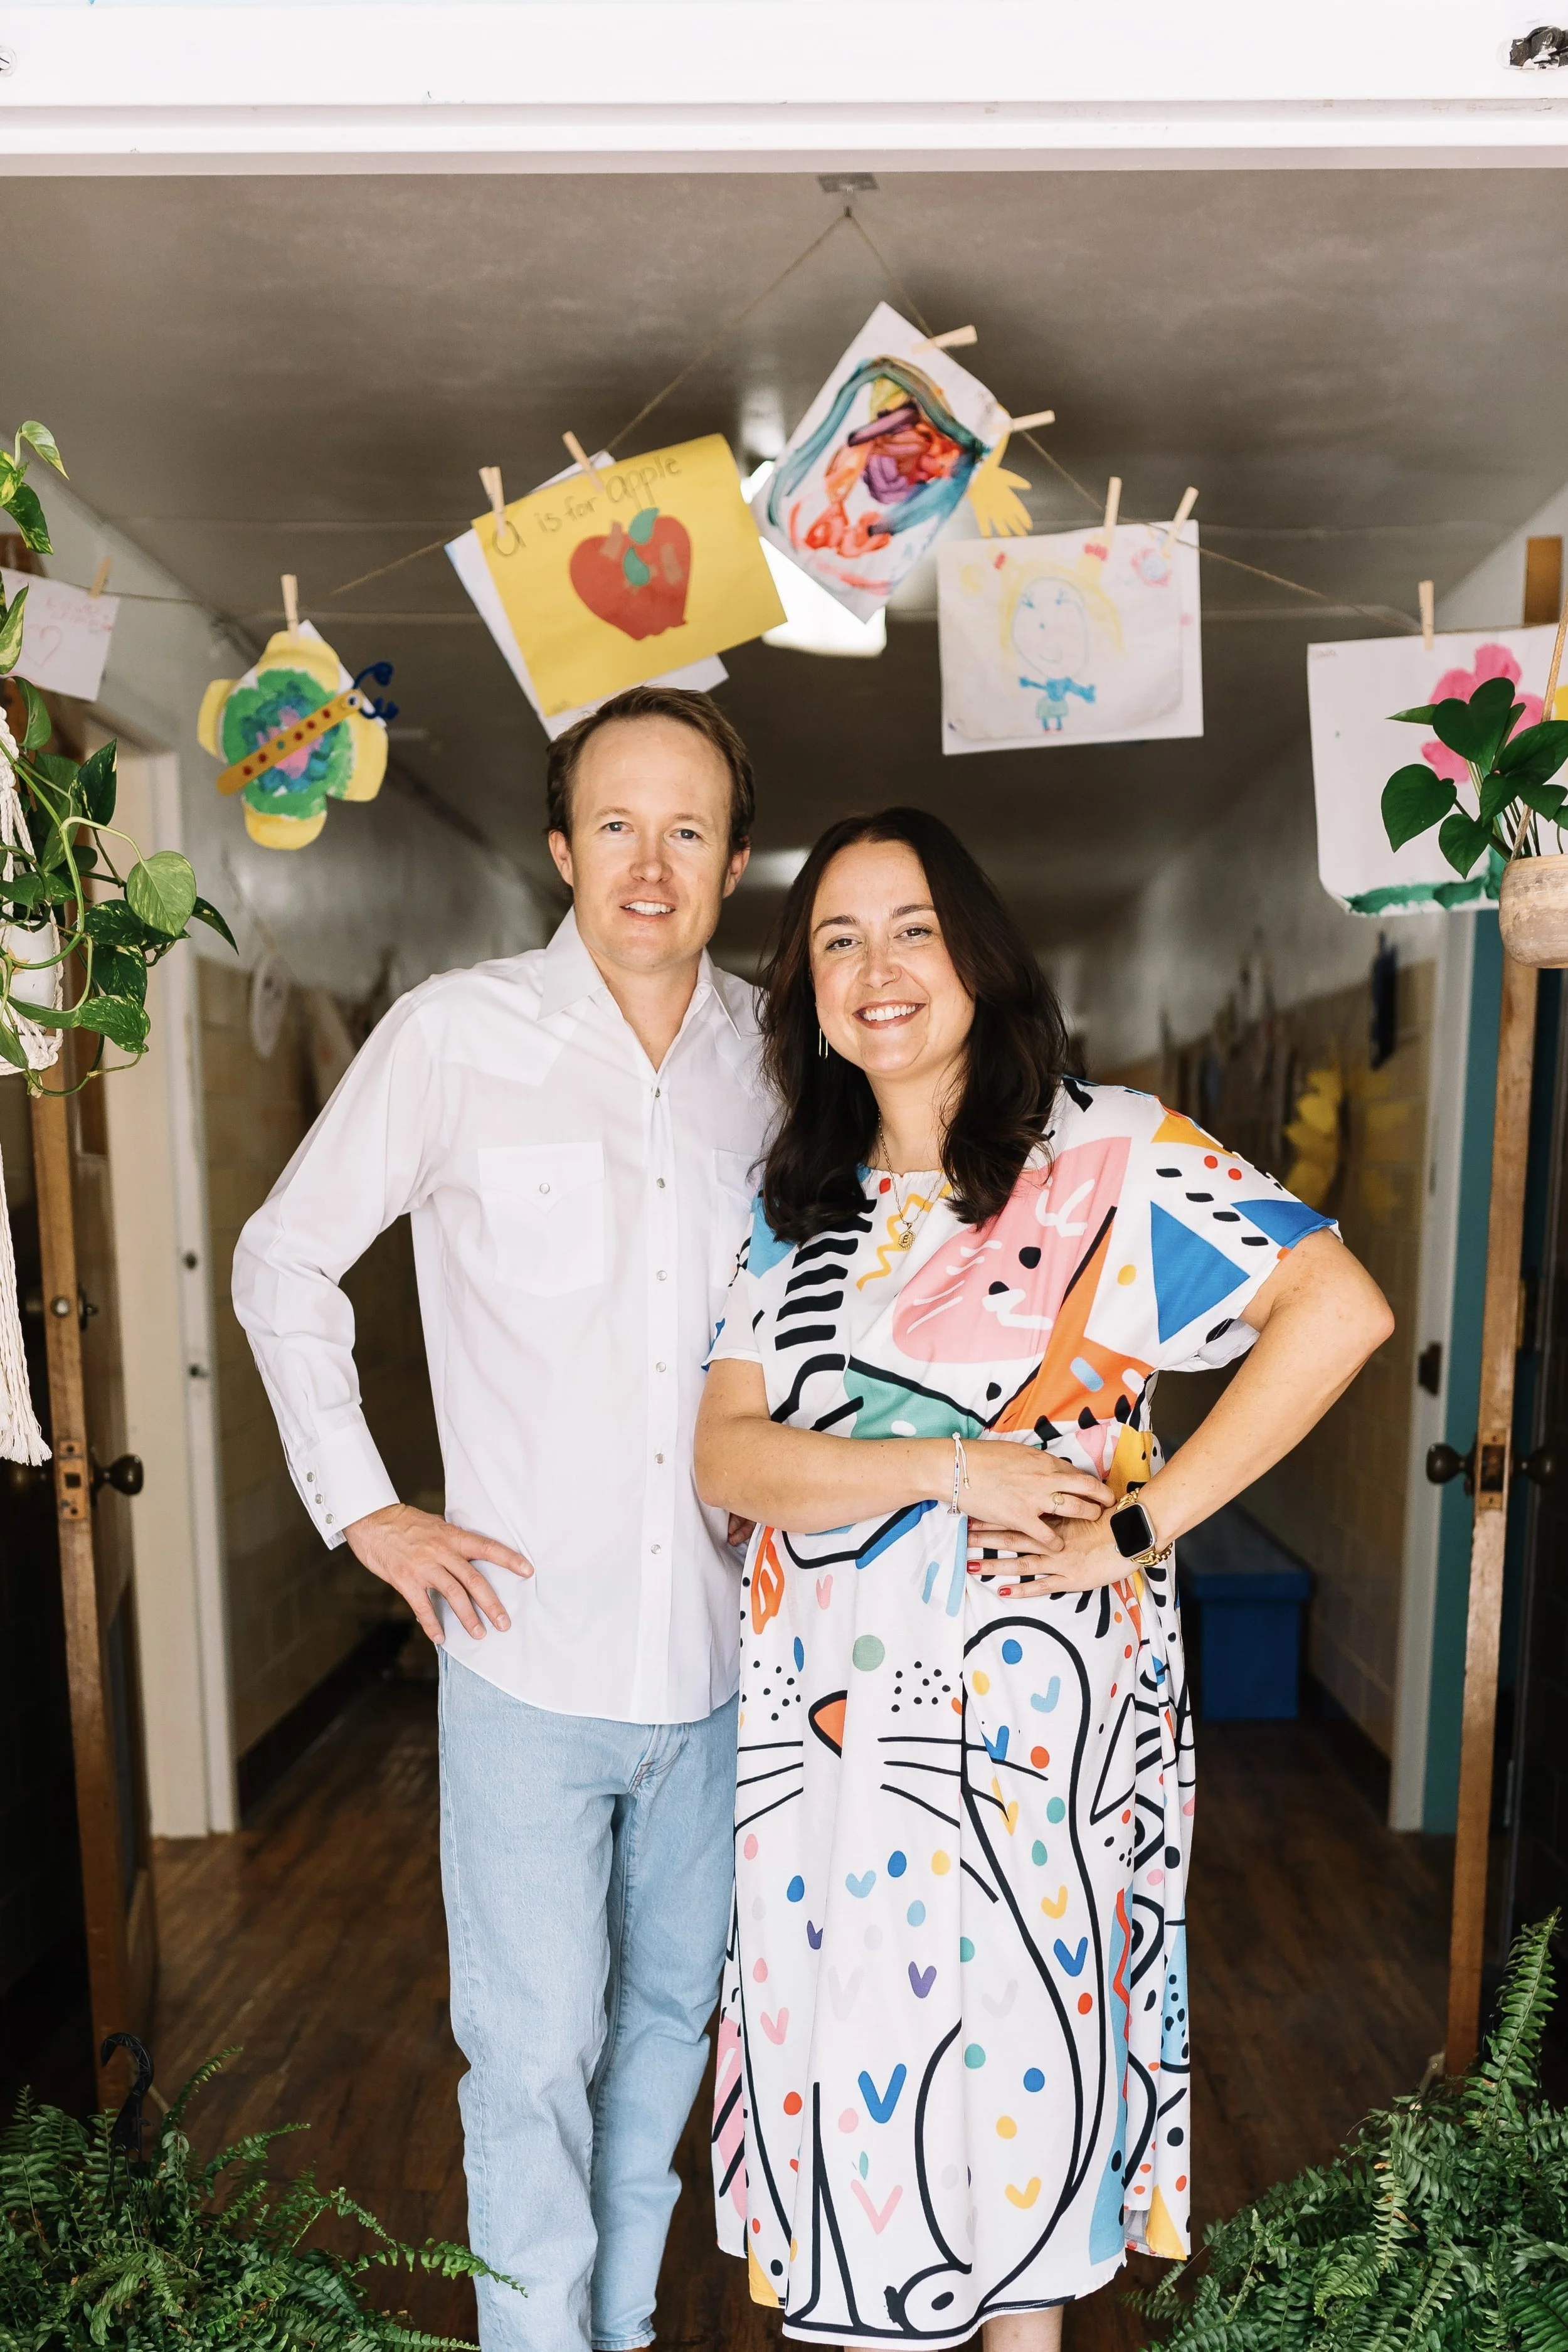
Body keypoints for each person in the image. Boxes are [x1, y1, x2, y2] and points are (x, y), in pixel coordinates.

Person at [694, 808, 1392, 2349]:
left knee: (1022, 2049)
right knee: (858, 2070)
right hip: (823, 1745)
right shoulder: (792, 1207)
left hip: (1033, 1721)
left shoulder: (1107, 1156)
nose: (876, 969)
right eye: (835, 940)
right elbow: (728, 1463)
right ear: (805, 992)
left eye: (912, 929)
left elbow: (1335, 1311)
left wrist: (1138, 1529)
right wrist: (952, 1468)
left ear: (979, 956)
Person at [232, 686, 770, 2352]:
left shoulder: (784, 1056)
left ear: (733, 862)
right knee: (531, 2056)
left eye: (685, 830)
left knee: (669, 2029)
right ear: (558, 847)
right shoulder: (453, 1037)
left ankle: (613, 2328)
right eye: (614, 825)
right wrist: (367, 1510)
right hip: (523, 1651)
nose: (647, 865)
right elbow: (282, 1257)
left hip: (727, 1657)